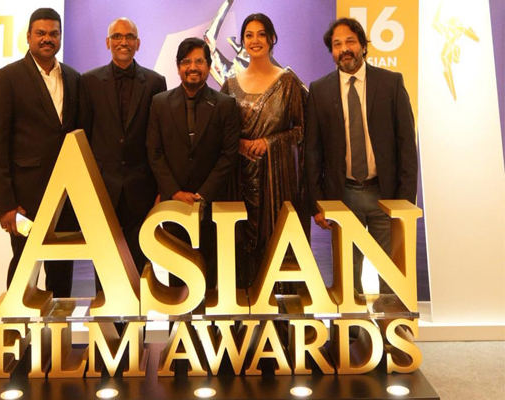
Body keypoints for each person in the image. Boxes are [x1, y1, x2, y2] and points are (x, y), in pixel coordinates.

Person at [306, 17, 417, 296]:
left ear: (363, 46)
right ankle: (352, 325)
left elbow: (406, 144)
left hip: (385, 195)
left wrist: (405, 200)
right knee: (347, 279)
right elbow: (312, 151)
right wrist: (318, 202)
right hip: (343, 196)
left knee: (392, 275)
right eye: (337, 44)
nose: (344, 49)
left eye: (350, 42)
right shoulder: (319, 90)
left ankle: (392, 324)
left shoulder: (390, 83)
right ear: (332, 52)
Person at [0, 8, 80, 297]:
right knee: (24, 273)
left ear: (60, 37)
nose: (47, 39)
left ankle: (57, 328)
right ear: (28, 37)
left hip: (66, 198)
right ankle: (18, 328)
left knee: (62, 274)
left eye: (53, 33)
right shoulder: (8, 77)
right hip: (25, 200)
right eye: (40, 33)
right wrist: (5, 204)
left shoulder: (74, 78)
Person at [221, 13, 309, 289]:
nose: (255, 40)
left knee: (276, 244)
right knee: (239, 244)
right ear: (242, 41)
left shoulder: (288, 82)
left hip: (277, 182)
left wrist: (270, 142)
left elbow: (303, 130)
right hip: (239, 180)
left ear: (272, 39)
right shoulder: (230, 84)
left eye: (261, 34)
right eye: (249, 35)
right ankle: (242, 307)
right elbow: (218, 132)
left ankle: (279, 309)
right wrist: (239, 144)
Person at [146, 37, 239, 289]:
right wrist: (174, 192)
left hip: (212, 206)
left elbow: (228, 155)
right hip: (174, 205)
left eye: (199, 61)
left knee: (211, 277)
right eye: (186, 62)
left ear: (209, 66)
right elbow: (154, 152)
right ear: (178, 67)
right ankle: (180, 316)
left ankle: (210, 316)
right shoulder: (160, 103)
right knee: (178, 280)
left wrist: (203, 194)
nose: (193, 67)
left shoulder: (225, 105)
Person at [80, 18, 166, 277]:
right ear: (108, 42)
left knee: (140, 264)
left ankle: (138, 306)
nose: (123, 42)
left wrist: (161, 188)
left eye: (130, 37)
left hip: (142, 188)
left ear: (138, 44)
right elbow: (84, 135)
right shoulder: (89, 81)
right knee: (104, 265)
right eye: (117, 36)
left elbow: (159, 139)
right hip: (103, 187)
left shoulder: (155, 82)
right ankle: (105, 307)